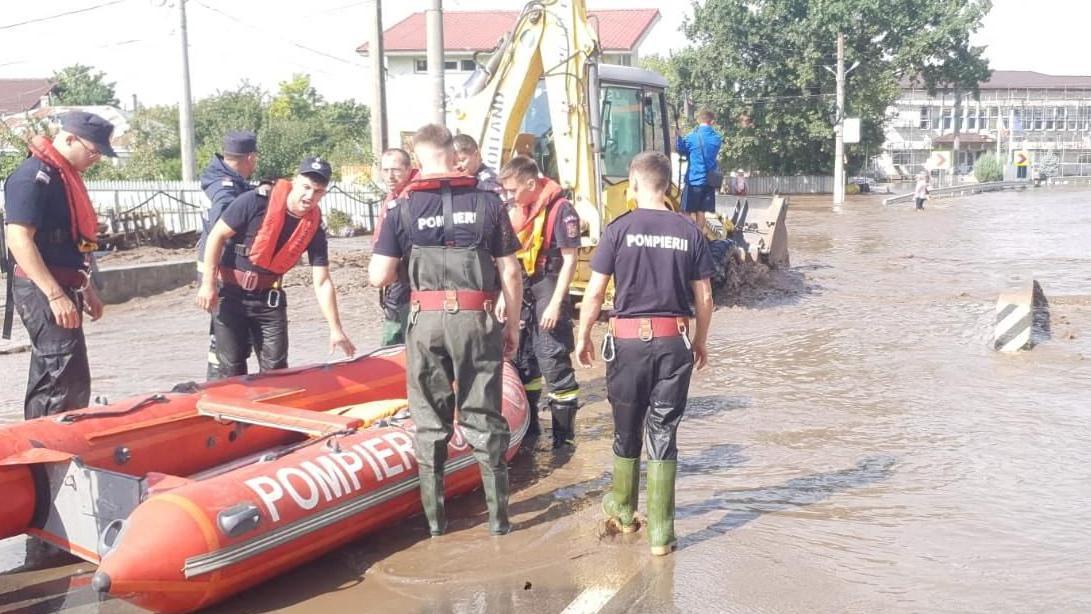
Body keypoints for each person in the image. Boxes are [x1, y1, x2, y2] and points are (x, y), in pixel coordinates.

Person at [368, 124, 523, 536]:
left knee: (430, 423)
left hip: (426, 321)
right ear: (453, 154)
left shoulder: (402, 207)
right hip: (477, 318)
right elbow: (510, 270)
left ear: (417, 159)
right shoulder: (489, 203)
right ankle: (499, 523)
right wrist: (512, 325)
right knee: (484, 417)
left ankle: (436, 527)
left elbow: (379, 275)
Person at [575, 151, 714, 556]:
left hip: (628, 342)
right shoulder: (689, 232)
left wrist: (583, 334)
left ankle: (622, 510)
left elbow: (597, 292)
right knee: (663, 431)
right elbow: (704, 296)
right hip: (675, 342)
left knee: (626, 427)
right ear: (668, 187)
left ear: (633, 186)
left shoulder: (618, 230)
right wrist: (701, 340)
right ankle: (661, 535)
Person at [196, 157, 355, 376]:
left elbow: (322, 280)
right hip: (230, 295)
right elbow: (216, 236)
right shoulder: (253, 202)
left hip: (269, 300)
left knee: (277, 370)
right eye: (306, 187)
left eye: (317, 191)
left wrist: (336, 329)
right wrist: (208, 284)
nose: (309, 196)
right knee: (231, 367)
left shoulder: (314, 227)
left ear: (324, 194)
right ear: (294, 181)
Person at [3, 111, 114, 419]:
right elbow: (18, 239)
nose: (97, 159)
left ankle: (39, 446)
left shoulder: (63, 179)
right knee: (63, 377)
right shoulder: (32, 177)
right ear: (69, 138)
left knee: (58, 373)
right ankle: (50, 456)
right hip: (42, 289)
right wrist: (54, 295)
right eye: (94, 151)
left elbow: (72, 242)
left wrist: (87, 288)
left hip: (66, 284)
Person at [497, 155, 581, 447]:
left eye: (513, 190)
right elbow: (509, 261)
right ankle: (530, 431)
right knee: (523, 359)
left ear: (531, 183)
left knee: (552, 357)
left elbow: (571, 260)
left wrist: (557, 303)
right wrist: (502, 297)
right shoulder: (518, 211)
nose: (509, 196)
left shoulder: (561, 210)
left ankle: (563, 439)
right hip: (525, 287)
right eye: (505, 191)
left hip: (549, 283)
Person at [197, 130, 259, 379]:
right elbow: (222, 230)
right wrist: (209, 283)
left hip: (217, 270)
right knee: (226, 338)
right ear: (251, 158)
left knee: (227, 338)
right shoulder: (225, 190)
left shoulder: (219, 179)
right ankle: (219, 388)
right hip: (220, 272)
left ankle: (220, 385)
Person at [374, 148, 417, 346]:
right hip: (394, 277)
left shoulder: (414, 198)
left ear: (409, 169)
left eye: (396, 170)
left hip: (408, 277)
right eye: (385, 170)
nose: (390, 176)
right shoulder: (394, 196)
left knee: (398, 332)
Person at [675, 109, 722, 230]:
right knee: (701, 212)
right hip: (709, 182)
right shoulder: (717, 138)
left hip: (694, 181)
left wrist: (678, 137)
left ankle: (691, 236)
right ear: (712, 122)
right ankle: (699, 236)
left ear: (698, 120)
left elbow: (681, 150)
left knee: (685, 212)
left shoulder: (691, 137)